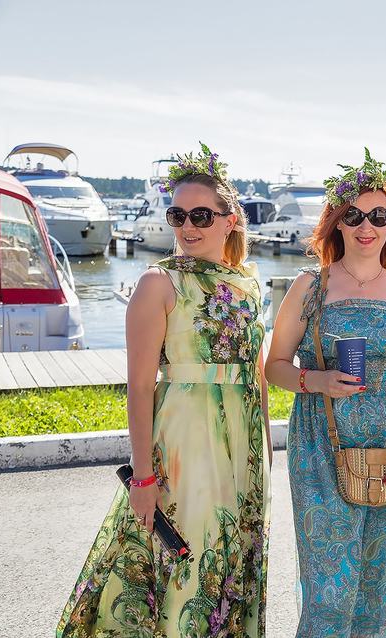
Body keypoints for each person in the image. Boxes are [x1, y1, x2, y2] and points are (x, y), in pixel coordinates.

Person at [57, 144, 271, 636]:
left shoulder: (247, 285)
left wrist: (264, 453)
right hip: (183, 443)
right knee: (186, 565)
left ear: (230, 219)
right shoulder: (158, 284)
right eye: (177, 214)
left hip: (245, 451)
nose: (187, 227)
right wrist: (144, 478)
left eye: (200, 214)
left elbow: (256, 371)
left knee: (232, 563)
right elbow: (138, 387)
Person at [265, 150, 386, 637]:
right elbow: (274, 366)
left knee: (379, 585)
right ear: (337, 223)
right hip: (322, 443)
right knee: (328, 590)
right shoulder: (310, 286)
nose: (366, 226)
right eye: (354, 215)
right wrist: (315, 380)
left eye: (378, 216)